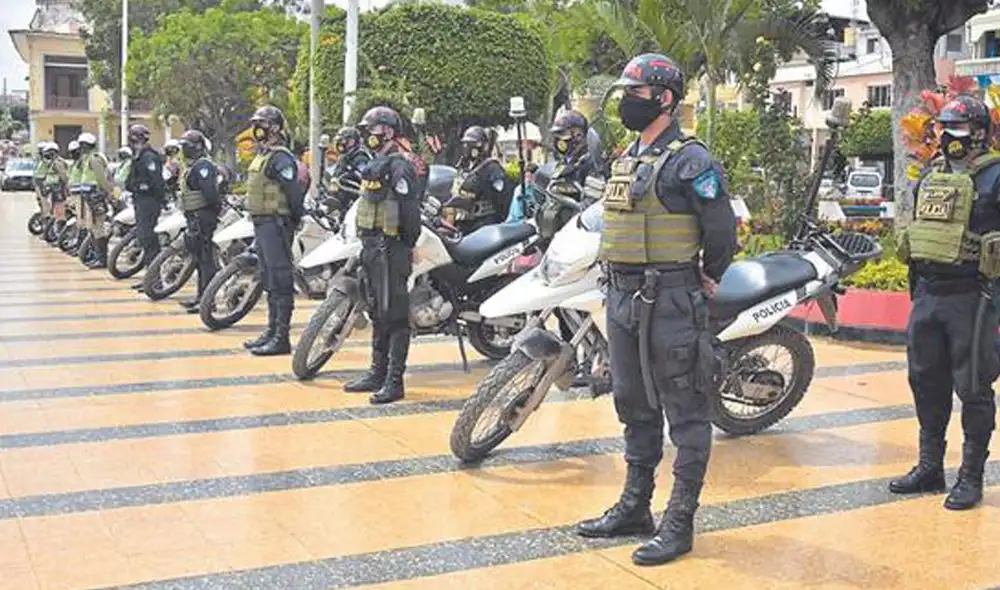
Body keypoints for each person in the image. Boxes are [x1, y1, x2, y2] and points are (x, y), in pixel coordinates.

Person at [574, 53, 737, 566]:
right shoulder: (629, 156)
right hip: (622, 296)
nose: (625, 101)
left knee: (685, 410)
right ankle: (635, 506)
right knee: (633, 401)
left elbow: (721, 232)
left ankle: (679, 520)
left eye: (635, 93)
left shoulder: (692, 160)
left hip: (669, 297)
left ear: (664, 99)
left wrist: (705, 275)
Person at [891, 94, 1000, 511]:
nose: (947, 136)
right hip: (929, 295)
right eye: (943, 128)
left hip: (973, 296)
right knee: (925, 382)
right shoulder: (929, 177)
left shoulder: (995, 177)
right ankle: (929, 467)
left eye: (956, 128)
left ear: (979, 133)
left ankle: (971, 477)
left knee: (973, 387)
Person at [343, 106, 425, 405]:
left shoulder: (400, 167)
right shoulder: (375, 165)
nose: (368, 137)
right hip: (371, 247)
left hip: (392, 249)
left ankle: (394, 380)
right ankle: (377, 373)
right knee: (377, 310)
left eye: (373, 130)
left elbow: (410, 213)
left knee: (395, 314)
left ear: (389, 132)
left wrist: (408, 244)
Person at [241, 105, 306, 356]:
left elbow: (293, 195)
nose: (258, 128)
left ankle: (281, 337)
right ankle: (271, 331)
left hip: (276, 223)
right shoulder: (263, 155)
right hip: (262, 223)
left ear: (276, 128)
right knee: (268, 278)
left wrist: (291, 220)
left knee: (280, 278)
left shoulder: (281, 157)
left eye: (263, 124)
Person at [176, 129, 221, 313]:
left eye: (187, 147)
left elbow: (210, 193)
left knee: (206, 261)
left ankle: (207, 301)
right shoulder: (192, 167)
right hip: (194, 217)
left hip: (203, 217)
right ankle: (201, 297)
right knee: (199, 259)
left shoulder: (204, 166)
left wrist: (213, 211)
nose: (184, 151)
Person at [125, 124, 167, 290]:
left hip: (149, 202)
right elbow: (131, 181)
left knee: (149, 240)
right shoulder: (138, 156)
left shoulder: (149, 156)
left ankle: (155, 281)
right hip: (140, 200)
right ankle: (149, 278)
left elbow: (156, 181)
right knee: (144, 239)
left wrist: (159, 199)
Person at [447, 125, 509, 232]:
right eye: (465, 144)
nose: (466, 147)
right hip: (462, 223)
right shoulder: (464, 168)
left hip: (484, 224)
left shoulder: (492, 169)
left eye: (470, 144)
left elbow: (503, 199)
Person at [76, 132, 115, 268]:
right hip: (89, 196)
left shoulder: (94, 159)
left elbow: (101, 179)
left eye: (83, 145)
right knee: (92, 227)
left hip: (96, 196)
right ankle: (97, 256)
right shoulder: (87, 159)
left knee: (98, 227)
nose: (81, 148)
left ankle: (102, 259)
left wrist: (109, 193)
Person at [327, 126, 370, 212]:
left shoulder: (360, 157)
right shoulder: (344, 157)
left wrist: (348, 178)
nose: (340, 144)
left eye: (343, 140)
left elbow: (364, 178)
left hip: (354, 202)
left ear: (351, 142)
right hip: (340, 200)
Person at [40, 142, 69, 242]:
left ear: (54, 152)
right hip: (53, 190)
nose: (46, 155)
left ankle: (61, 236)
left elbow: (64, 177)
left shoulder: (58, 163)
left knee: (59, 213)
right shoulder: (51, 163)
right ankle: (54, 234)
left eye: (48, 153)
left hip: (59, 190)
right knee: (54, 212)